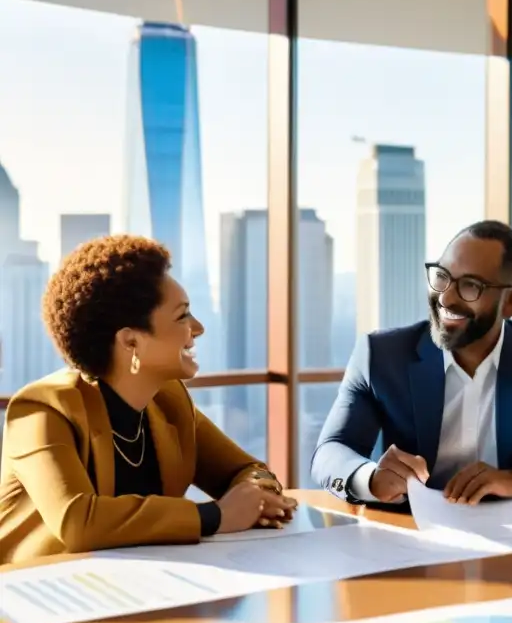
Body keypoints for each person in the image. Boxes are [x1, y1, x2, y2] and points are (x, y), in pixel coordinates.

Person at [0, 236, 296, 564]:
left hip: (139, 588)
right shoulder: (43, 410)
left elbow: (247, 469)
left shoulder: (170, 401)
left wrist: (257, 494)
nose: (198, 329)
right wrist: (215, 517)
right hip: (39, 599)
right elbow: (78, 521)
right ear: (130, 341)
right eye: (182, 316)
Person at [312, 220, 512, 505]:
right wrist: (372, 478)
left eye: (470, 286)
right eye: (442, 277)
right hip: (408, 530)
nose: (445, 299)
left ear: (510, 302)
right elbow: (331, 451)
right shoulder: (382, 355)